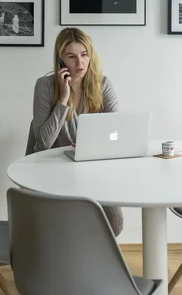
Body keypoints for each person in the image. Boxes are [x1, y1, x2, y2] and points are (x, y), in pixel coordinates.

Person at [28, 27, 123, 236]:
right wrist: (63, 99)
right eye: (71, 57)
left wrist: (92, 146)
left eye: (84, 55)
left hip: (90, 168)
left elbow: (118, 131)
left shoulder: (102, 84)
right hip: (52, 169)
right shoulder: (44, 86)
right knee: (62, 224)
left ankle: (87, 258)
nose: (79, 63)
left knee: (114, 223)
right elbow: (42, 144)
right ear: (60, 60)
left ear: (91, 56)